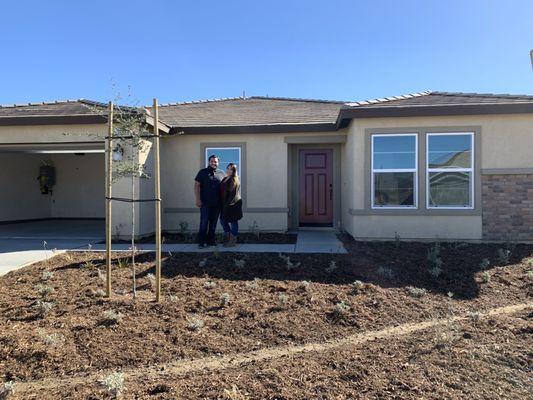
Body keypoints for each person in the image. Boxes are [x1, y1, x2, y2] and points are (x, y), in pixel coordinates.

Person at [194, 155, 225, 248]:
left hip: (217, 204)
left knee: (213, 223)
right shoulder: (202, 172)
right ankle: (201, 242)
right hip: (205, 203)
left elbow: (224, 188)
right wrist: (197, 199)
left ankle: (210, 241)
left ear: (218, 163)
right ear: (209, 162)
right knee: (204, 222)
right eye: (212, 161)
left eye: (215, 162)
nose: (213, 163)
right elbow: (196, 186)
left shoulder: (221, 173)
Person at [219, 163, 243, 247]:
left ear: (234, 171)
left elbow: (232, 195)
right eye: (228, 168)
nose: (228, 170)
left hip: (232, 204)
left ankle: (232, 241)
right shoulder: (225, 178)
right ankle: (228, 237)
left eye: (231, 169)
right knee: (222, 220)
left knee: (233, 221)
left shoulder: (234, 179)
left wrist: (227, 205)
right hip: (224, 203)